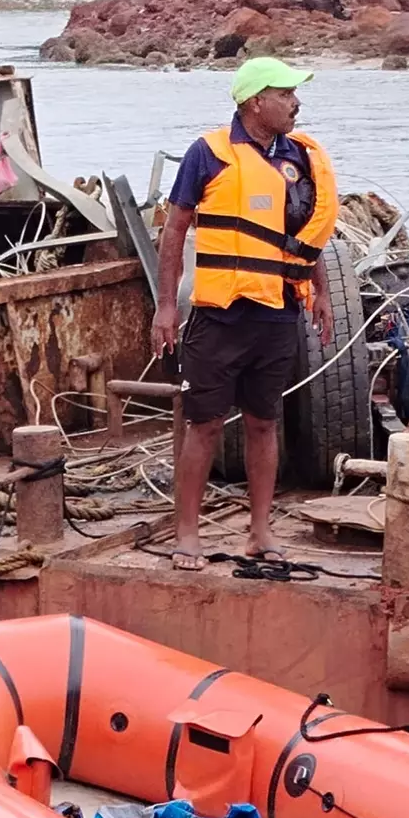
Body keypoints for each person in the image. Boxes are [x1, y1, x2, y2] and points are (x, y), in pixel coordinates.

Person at [152, 56, 339, 571]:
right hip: (218, 316)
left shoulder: (300, 159)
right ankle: (186, 534)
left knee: (264, 422)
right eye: (286, 93)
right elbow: (174, 230)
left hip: (277, 313)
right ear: (257, 102)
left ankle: (260, 531)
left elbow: (307, 235)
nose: (296, 103)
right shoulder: (206, 154)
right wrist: (166, 305)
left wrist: (319, 292)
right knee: (205, 425)